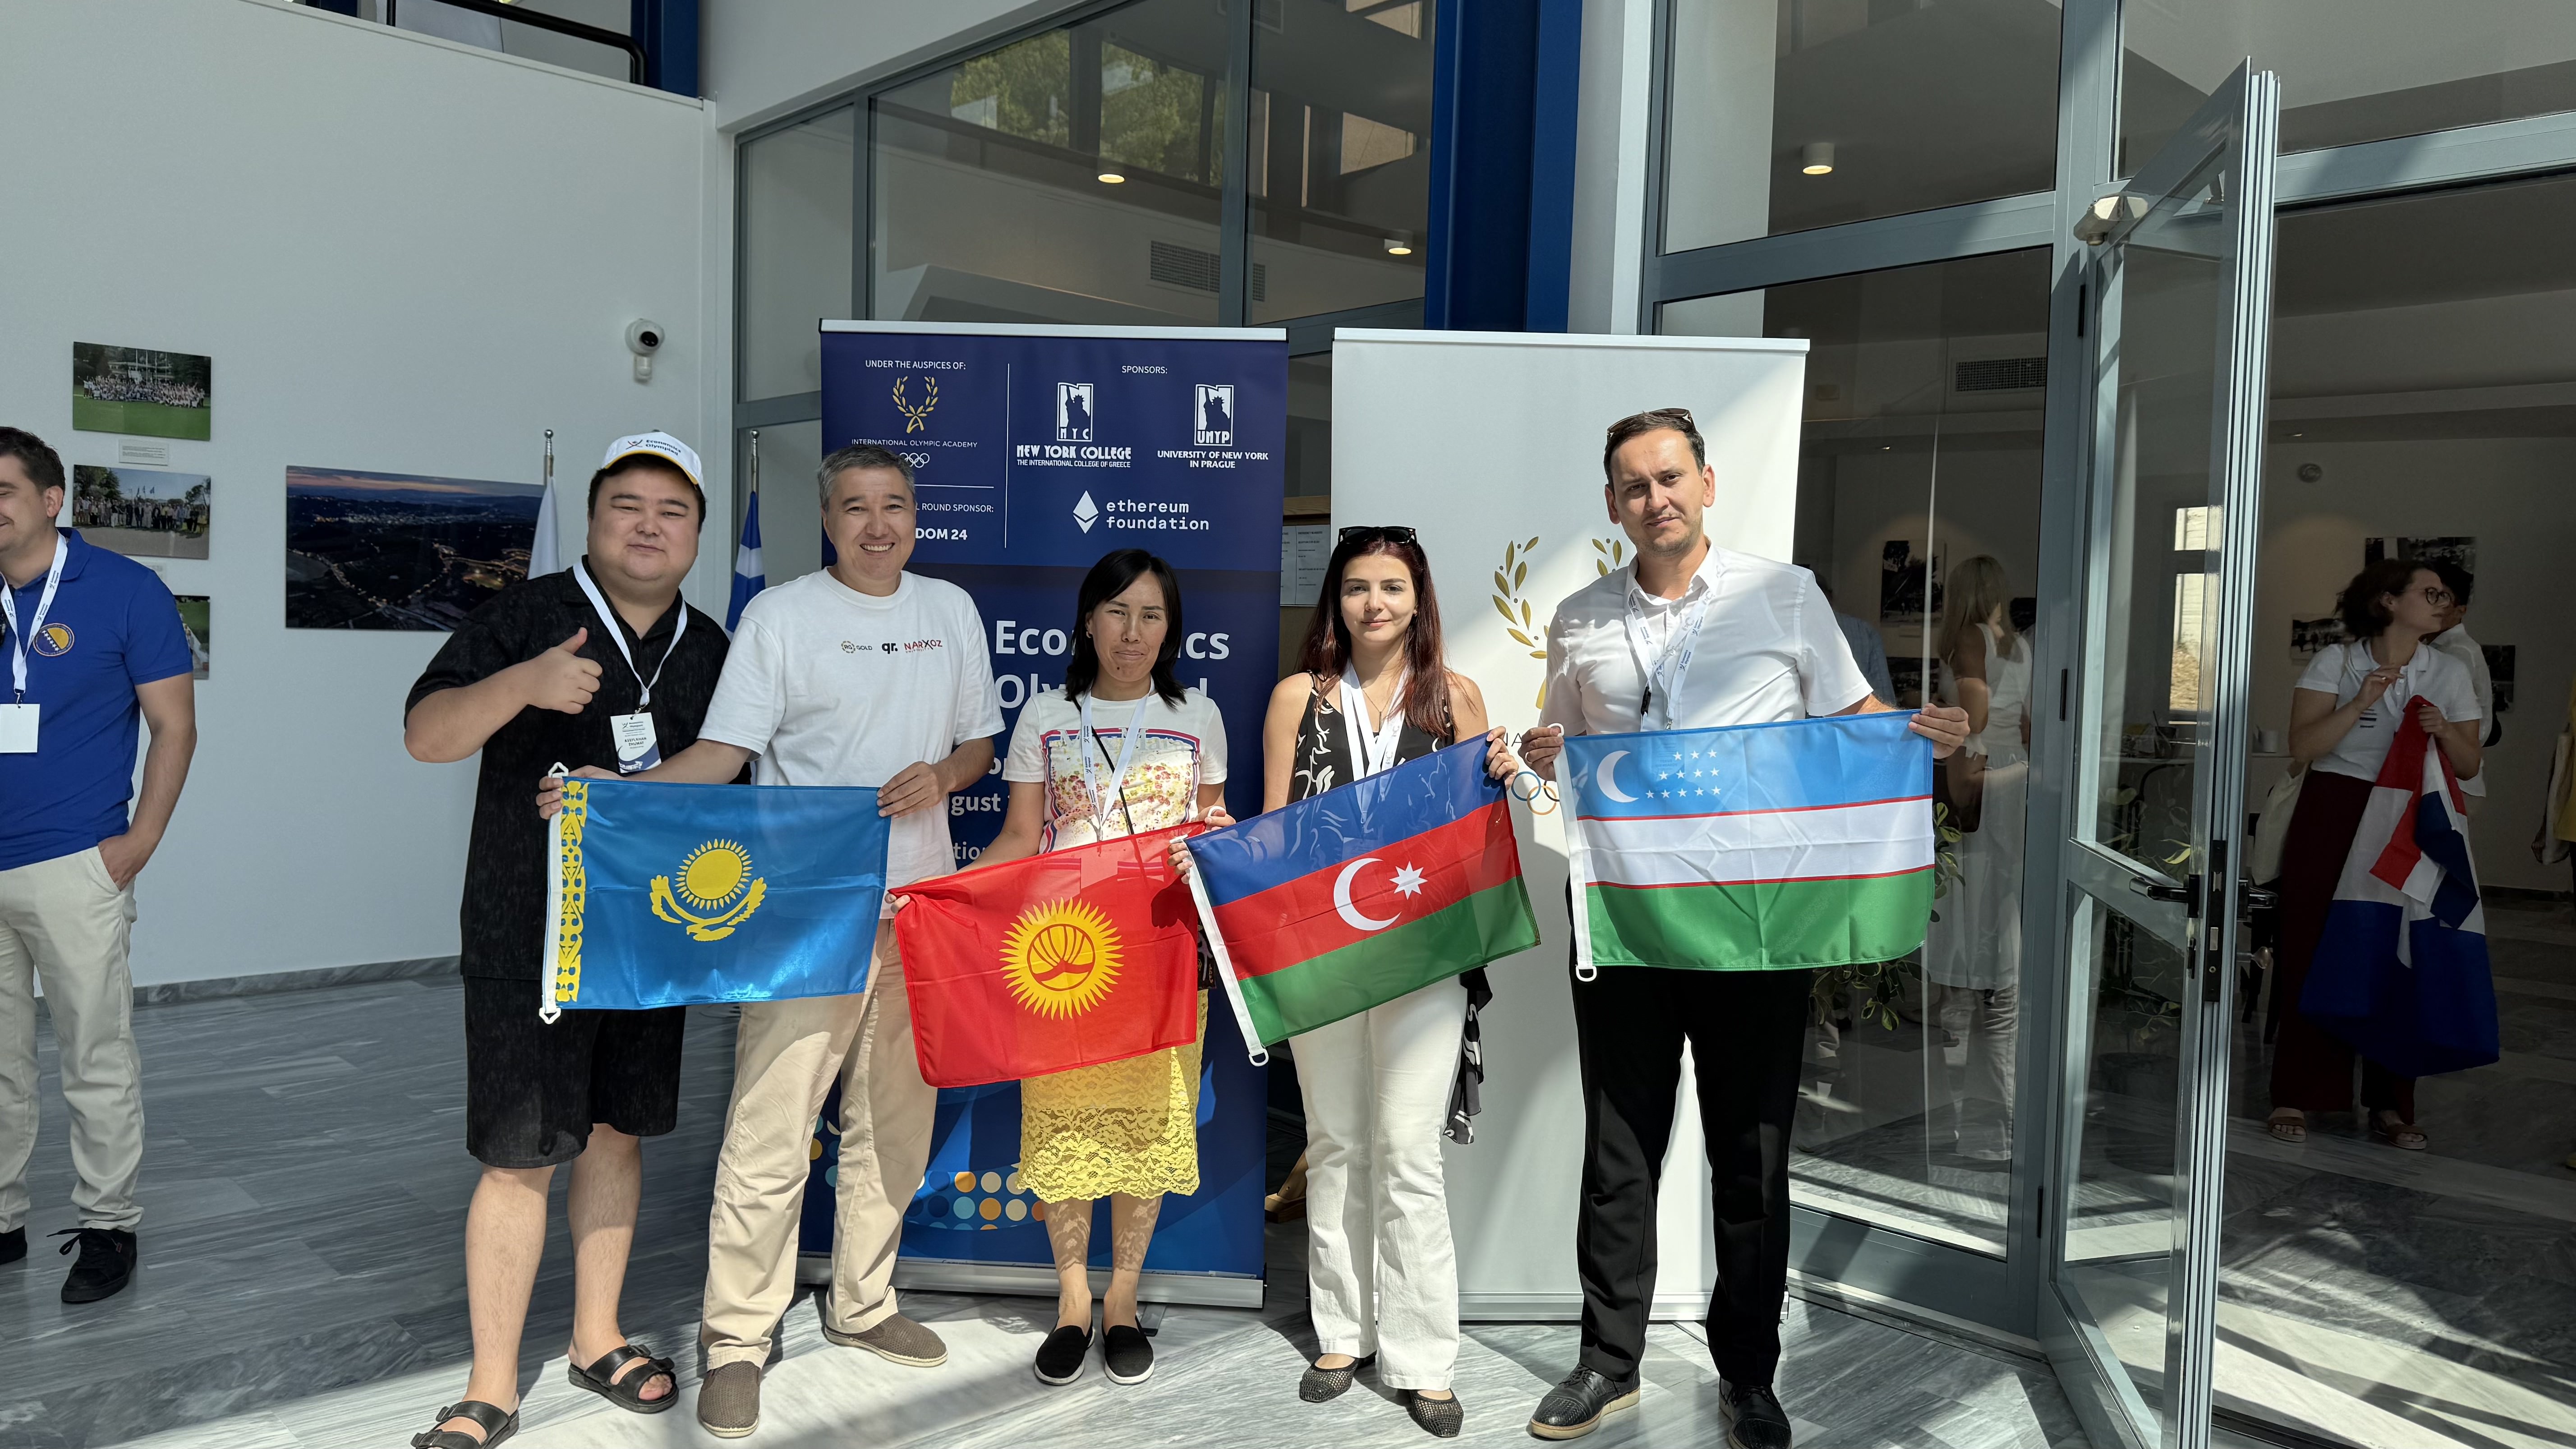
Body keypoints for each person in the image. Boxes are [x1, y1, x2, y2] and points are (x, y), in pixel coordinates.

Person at [1513, 409, 1968, 1447]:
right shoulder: (1581, 615)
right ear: (1613, 505)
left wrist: (1919, 734)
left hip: (1754, 925)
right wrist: (1543, 755)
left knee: (1752, 1155)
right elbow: (1565, 749)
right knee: (1620, 1148)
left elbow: (1851, 721)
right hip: (1625, 919)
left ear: (1707, 485)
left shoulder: (1784, 593)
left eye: (1669, 478)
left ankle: (1749, 1376)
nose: (1654, 499)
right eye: (1633, 486)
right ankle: (1607, 1360)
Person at [547, 443, 1001, 1441]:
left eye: (893, 507)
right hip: (804, 910)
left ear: (916, 517)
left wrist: (946, 775)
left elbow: (979, 742)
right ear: (827, 520)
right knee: (769, 1128)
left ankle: (864, 1301)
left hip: (920, 908)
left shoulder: (949, 611)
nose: (877, 525)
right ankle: (739, 1338)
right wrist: (614, 795)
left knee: (895, 1121)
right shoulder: (782, 616)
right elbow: (722, 754)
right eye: (854, 508)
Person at [400, 433, 728, 1448]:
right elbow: (427, 733)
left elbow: (734, 775)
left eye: (671, 511)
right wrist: (523, 686)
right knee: (519, 1155)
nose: (648, 525)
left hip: (649, 937)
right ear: (593, 522)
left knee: (618, 1134)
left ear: (697, 535)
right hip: (525, 935)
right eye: (627, 505)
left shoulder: (712, 646)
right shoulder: (529, 617)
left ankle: (598, 1337)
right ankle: (489, 1383)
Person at [958, 548, 1230, 1391]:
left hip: (1162, 953)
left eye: (1151, 615)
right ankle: (1072, 1301)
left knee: (1148, 1131)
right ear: (1087, 620)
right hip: (1064, 958)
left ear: (1169, 628)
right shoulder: (1045, 714)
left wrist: (1223, 833)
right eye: (1117, 611)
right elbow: (1016, 838)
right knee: (1064, 1129)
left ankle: (1123, 1300)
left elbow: (1212, 820)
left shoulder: (1200, 715)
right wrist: (942, 897)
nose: (1133, 631)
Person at [1256, 524, 1505, 1439]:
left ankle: (1423, 1356)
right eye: (1357, 586)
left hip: (1424, 950)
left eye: (1392, 586)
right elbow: (1276, 827)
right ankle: (1340, 1332)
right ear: (1337, 599)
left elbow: (1478, 829)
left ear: (1418, 597)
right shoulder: (1299, 697)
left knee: (1407, 1150)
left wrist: (1512, 781)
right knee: (1337, 1142)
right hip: (1321, 946)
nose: (1374, 603)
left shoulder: (1458, 696)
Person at [0, 426, 196, 1306]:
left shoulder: (126, 591)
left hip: (76, 860)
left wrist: (139, 842)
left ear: (51, 501)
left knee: (95, 1055)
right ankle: (1, 1219)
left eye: (4, 489)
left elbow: (176, 728)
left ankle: (109, 1224)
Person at [2269, 559, 2482, 1154]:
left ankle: (2392, 1101)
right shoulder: (2336, 661)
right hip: (2333, 808)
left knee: (2400, 947)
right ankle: (2296, 1091)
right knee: (2310, 942)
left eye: (2446, 594)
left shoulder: (2450, 670)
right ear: (2388, 601)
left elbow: (2469, 765)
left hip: (2410, 814)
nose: (2443, 601)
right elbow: (2304, 746)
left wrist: (2443, 731)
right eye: (2430, 592)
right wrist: (2358, 700)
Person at [1926, 556, 2029, 1163]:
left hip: (1976, 791)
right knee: (2001, 939)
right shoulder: (2022, 646)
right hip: (2011, 788)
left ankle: (1959, 1118)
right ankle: (2006, 1114)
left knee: (1963, 946)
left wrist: (1936, 724)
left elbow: (1976, 717)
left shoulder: (1968, 637)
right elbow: (2028, 722)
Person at [2424, 560, 2494, 815]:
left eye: (2443, 597)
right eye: (2428, 595)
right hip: (2440, 779)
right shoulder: (2431, 648)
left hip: (2451, 781)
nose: (2433, 605)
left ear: (2461, 610)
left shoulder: (2458, 653)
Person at [1817, 578, 1895, 704]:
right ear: (1830, 596)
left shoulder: (1786, 633)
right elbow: (1884, 697)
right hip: (1853, 721)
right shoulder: (1864, 632)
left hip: (1800, 722)